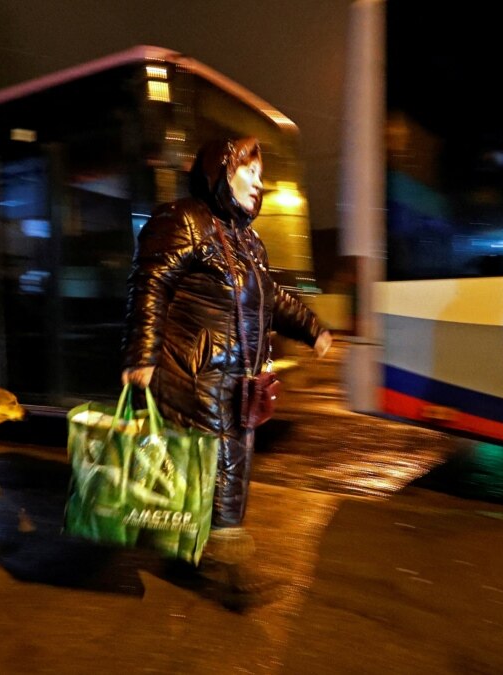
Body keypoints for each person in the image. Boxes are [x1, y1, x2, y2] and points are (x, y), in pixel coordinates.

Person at [121, 137, 331, 604]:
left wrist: (312, 327)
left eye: (260, 174)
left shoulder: (246, 239)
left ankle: (188, 548)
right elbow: (149, 286)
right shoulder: (184, 220)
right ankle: (231, 571)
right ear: (222, 171)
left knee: (219, 464)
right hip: (194, 372)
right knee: (223, 464)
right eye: (250, 171)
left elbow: (270, 296)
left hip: (237, 377)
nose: (260, 182)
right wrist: (141, 354)